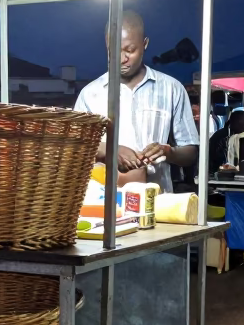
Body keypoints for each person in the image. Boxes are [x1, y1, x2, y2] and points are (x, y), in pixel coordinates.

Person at [74, 10, 198, 191]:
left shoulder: (172, 88)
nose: (122, 59)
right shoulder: (89, 94)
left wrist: (167, 152)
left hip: (157, 203)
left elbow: (191, 153)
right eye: (113, 51)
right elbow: (76, 148)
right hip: (104, 204)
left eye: (130, 50)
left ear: (145, 43)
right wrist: (110, 151)